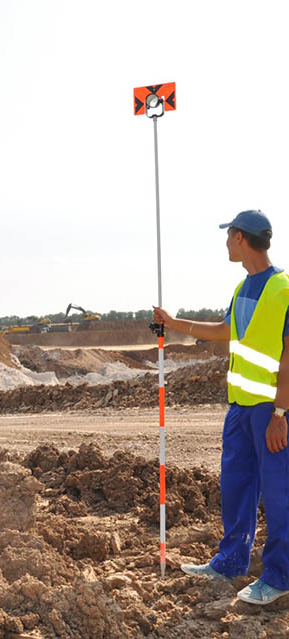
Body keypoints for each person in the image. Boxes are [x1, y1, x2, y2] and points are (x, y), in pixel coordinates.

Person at [153, 209, 289, 605]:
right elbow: (227, 331)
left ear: (240, 237)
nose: (226, 243)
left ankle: (279, 579)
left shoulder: (283, 288)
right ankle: (231, 561)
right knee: (235, 487)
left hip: (271, 409)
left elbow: (288, 356)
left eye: (229, 236)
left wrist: (281, 414)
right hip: (241, 408)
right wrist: (174, 322)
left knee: (279, 495)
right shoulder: (243, 286)